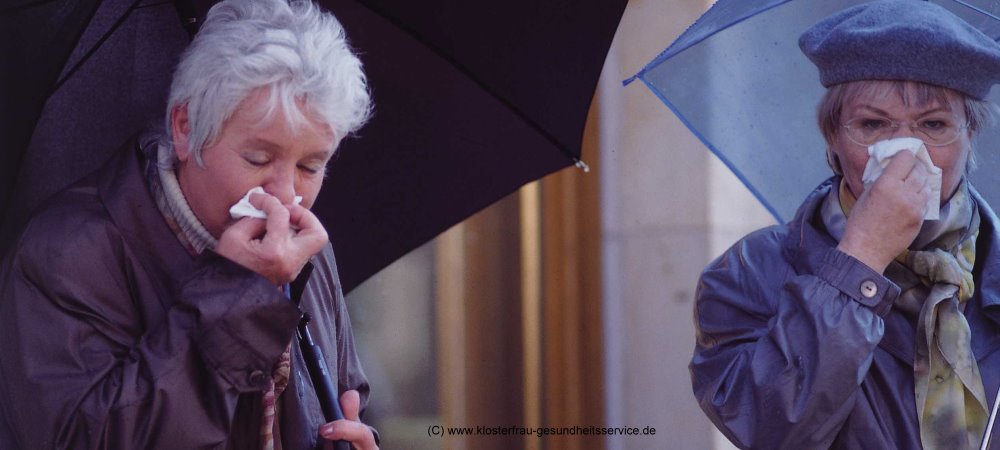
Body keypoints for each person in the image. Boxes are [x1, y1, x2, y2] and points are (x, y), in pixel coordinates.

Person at [0, 0, 379, 448]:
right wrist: (240, 292)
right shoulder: (66, 255)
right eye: (258, 158)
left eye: (311, 166)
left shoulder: (306, 248)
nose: (285, 194)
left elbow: (345, 405)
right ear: (185, 127)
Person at [690, 1, 1000, 449]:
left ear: (969, 135)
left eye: (933, 124)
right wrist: (860, 259)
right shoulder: (749, 274)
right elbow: (773, 433)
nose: (905, 153)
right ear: (832, 139)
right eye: (873, 125)